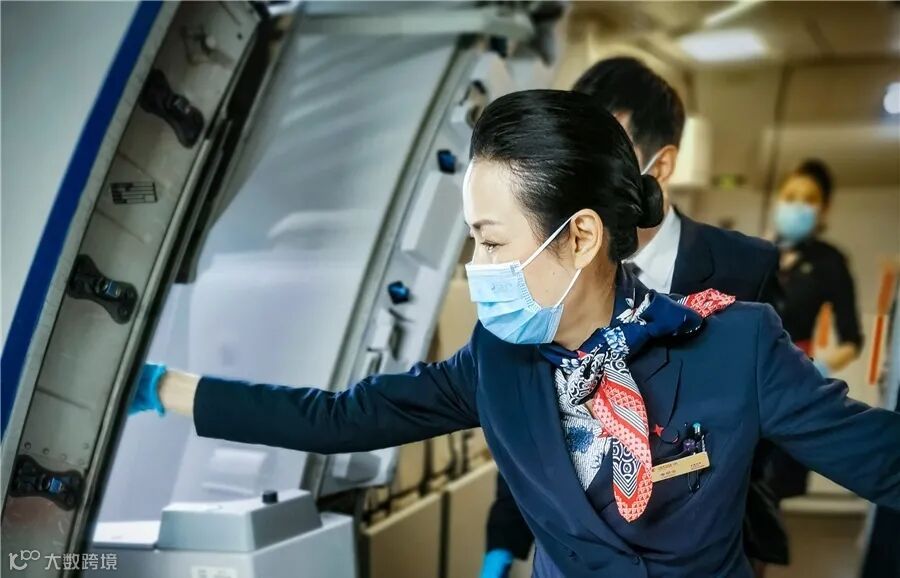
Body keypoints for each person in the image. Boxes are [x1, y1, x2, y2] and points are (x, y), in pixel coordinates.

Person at [132, 90, 900, 578]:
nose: (478, 267)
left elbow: (883, 462)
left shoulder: (735, 344)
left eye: (493, 241)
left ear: (582, 236)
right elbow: (341, 418)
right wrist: (168, 389)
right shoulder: (497, 361)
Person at [483, 57, 785, 578]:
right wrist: (503, 543)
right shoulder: (548, 262)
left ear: (659, 167)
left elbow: (778, 414)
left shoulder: (744, 267)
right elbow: (528, 416)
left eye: (602, 156)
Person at [766, 159, 865, 502]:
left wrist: (818, 366)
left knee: (773, 490)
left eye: (808, 200)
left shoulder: (829, 261)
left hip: (794, 383)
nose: (797, 206)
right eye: (790, 196)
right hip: (743, 377)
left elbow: (852, 339)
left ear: (823, 209)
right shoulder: (755, 252)